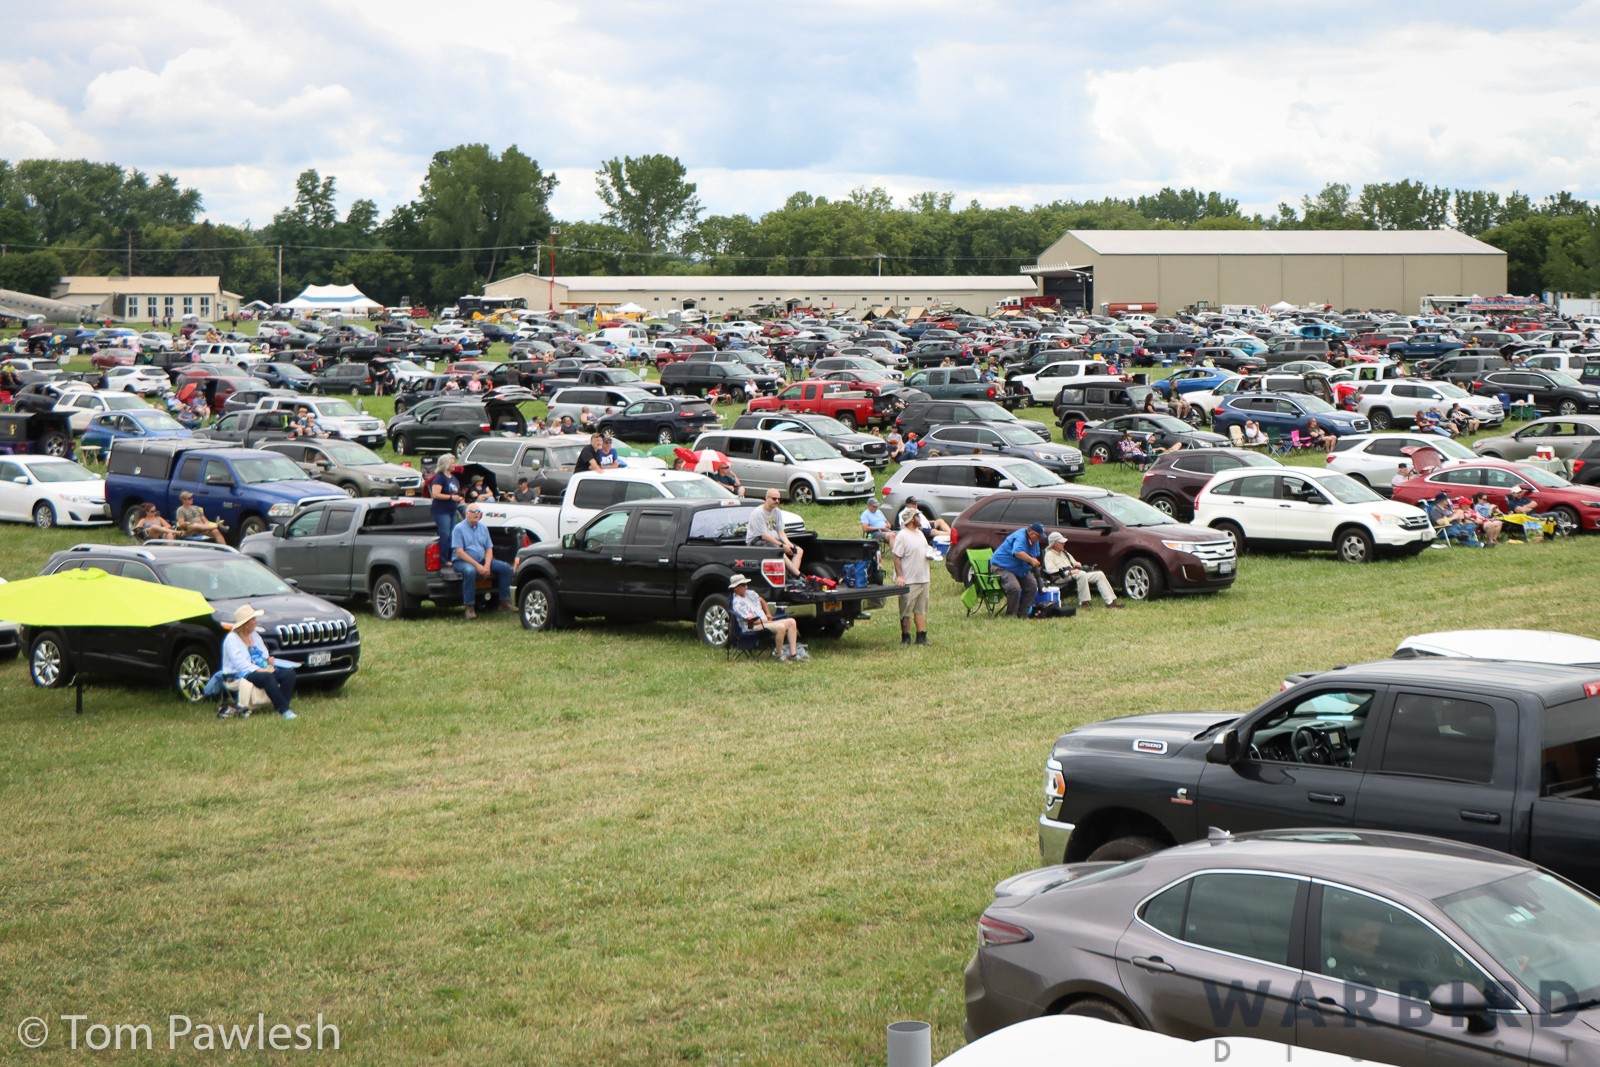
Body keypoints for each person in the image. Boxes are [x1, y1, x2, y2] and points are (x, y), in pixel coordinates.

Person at [220, 604, 297, 720]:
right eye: (253, 620)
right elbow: (240, 664)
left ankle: (281, 705)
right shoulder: (232, 639)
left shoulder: (254, 635)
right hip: (240, 673)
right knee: (267, 677)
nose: (256, 622)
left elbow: (264, 654)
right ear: (245, 624)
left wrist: (269, 660)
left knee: (289, 674)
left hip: (260, 668)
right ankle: (284, 710)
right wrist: (260, 669)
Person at [450, 504, 513, 620]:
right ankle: (469, 607)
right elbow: (459, 552)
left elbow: (489, 549)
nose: (476, 513)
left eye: (478, 511)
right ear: (467, 513)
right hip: (462, 561)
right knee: (470, 571)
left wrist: (487, 565)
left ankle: (504, 602)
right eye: (473, 511)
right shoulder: (458, 529)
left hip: (482, 560)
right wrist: (478, 566)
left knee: (506, 568)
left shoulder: (483, 528)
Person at [729, 573, 804, 661]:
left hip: (764, 622)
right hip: (750, 626)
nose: (746, 587)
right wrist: (770, 622)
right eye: (743, 585)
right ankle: (779, 655)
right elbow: (752, 621)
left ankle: (793, 654)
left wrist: (768, 614)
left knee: (792, 622)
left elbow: (762, 600)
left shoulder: (750, 593)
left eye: (746, 584)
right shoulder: (737, 603)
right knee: (781, 627)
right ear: (735, 588)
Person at [1043, 531, 1124, 609]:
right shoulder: (1049, 555)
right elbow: (1051, 571)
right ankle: (1084, 602)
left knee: (1099, 574)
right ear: (1054, 544)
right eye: (1061, 542)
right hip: (1061, 577)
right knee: (1081, 574)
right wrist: (1069, 572)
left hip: (1075, 574)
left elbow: (1074, 562)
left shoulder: (1064, 553)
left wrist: (1077, 564)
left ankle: (1110, 601)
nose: (1063, 543)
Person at [891, 508, 932, 646]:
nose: (920, 518)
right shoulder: (902, 536)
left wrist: (930, 555)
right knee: (906, 611)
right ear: (911, 519)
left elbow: (924, 550)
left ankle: (921, 636)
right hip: (909, 580)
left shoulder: (920, 534)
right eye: (917, 516)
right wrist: (900, 576)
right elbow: (896, 557)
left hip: (923, 578)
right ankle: (906, 637)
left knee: (921, 609)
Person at [991, 522, 1045, 618]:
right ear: (1032, 533)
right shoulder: (1020, 537)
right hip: (1002, 566)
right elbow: (1017, 552)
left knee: (1032, 585)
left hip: (1019, 568)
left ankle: (1022, 614)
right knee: (1014, 588)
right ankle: (1011, 615)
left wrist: (1038, 576)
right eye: (1039, 537)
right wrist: (1031, 560)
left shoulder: (1034, 541)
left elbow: (1034, 556)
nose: (1040, 539)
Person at [746, 489, 803, 577]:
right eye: (774, 499)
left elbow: (781, 532)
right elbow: (764, 536)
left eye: (779, 499)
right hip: (756, 540)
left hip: (772, 539)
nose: (777, 501)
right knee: (780, 551)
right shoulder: (759, 513)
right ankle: (799, 575)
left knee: (798, 551)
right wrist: (782, 546)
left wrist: (788, 544)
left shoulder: (777, 511)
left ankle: (791, 576)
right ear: (766, 498)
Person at [428, 453, 464, 558]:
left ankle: (449, 557)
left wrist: (459, 497)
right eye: (452, 463)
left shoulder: (453, 477)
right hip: (441, 511)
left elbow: (454, 492)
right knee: (445, 534)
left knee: (452, 535)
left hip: (452, 510)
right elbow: (435, 494)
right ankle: (442, 558)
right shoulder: (439, 478)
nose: (455, 465)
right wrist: (451, 497)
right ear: (446, 464)